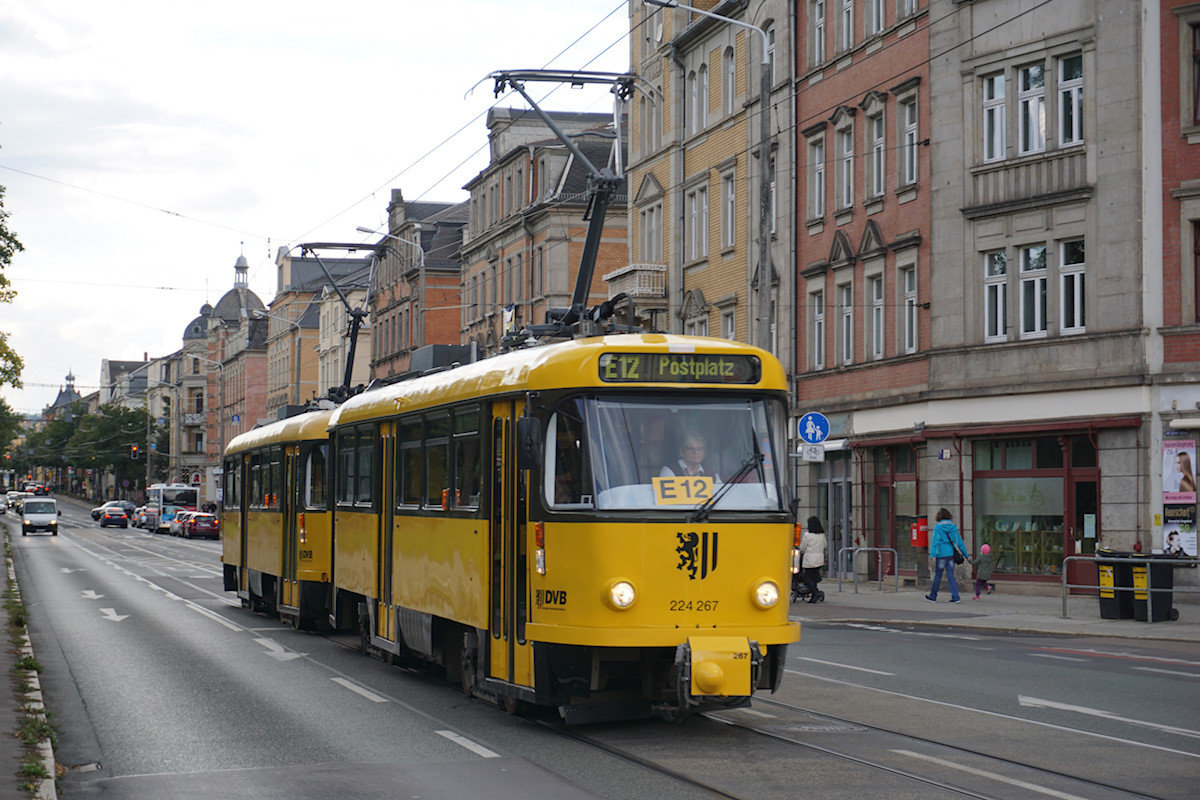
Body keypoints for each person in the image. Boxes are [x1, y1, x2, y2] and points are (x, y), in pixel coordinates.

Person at [925, 507, 967, 604]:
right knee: (951, 576)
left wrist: (932, 554)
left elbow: (935, 542)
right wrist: (966, 555)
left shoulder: (938, 527)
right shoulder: (953, 527)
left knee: (938, 576)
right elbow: (959, 542)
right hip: (950, 555)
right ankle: (956, 597)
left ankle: (933, 596)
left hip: (941, 555)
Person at [797, 516, 827, 603]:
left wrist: (802, 552)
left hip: (810, 559)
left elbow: (803, 547)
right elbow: (825, 545)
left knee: (807, 578)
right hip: (819, 558)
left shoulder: (807, 535)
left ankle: (815, 592)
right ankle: (814, 595)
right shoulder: (821, 535)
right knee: (814, 577)